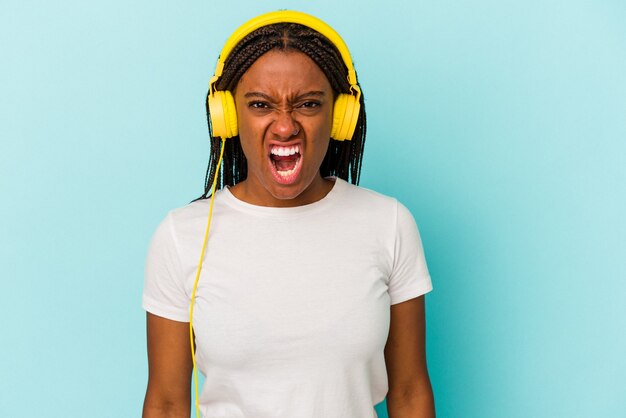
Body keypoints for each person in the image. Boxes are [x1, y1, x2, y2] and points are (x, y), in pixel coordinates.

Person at [142, 10, 435, 418]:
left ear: (340, 117)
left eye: (308, 104)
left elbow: (408, 392)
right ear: (227, 117)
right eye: (261, 104)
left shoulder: (389, 224)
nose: (284, 127)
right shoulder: (181, 236)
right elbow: (168, 402)